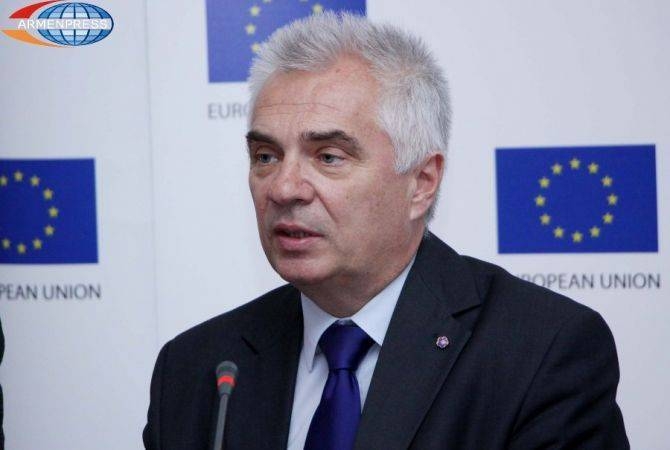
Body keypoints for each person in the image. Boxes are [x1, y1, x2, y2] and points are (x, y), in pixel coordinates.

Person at [143, 12, 628, 449]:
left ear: (422, 182)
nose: (285, 187)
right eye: (266, 156)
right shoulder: (196, 368)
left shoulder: (541, 352)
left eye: (328, 157)